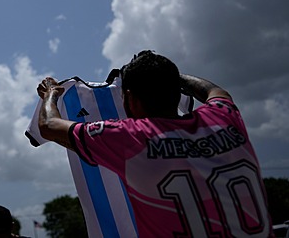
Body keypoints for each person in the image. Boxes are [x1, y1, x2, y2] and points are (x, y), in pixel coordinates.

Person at [37, 50, 272, 237]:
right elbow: (214, 90)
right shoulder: (224, 118)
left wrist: (51, 94)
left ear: (131, 98)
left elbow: (48, 125)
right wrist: (167, 76)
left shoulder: (131, 138)